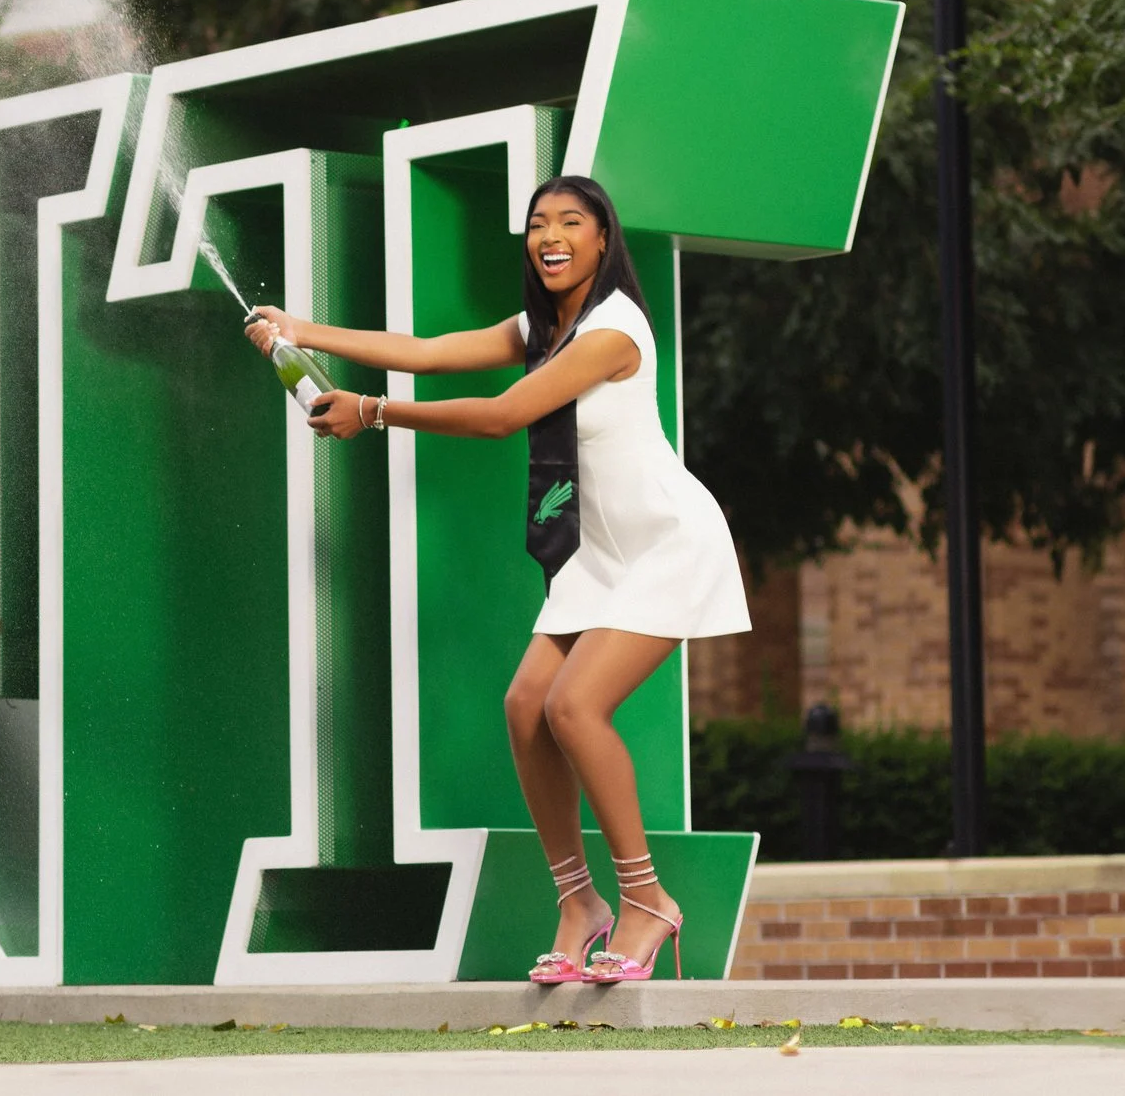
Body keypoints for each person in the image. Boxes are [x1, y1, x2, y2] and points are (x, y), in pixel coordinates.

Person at [243, 175, 748, 984]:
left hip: (664, 541)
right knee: (525, 708)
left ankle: (649, 898)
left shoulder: (613, 329)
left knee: (575, 706)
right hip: (597, 552)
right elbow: (430, 352)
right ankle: (581, 902)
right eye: (538, 222)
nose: (550, 234)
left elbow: (502, 414)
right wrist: (302, 329)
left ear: (602, 239)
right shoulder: (546, 325)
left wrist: (373, 411)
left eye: (571, 221)